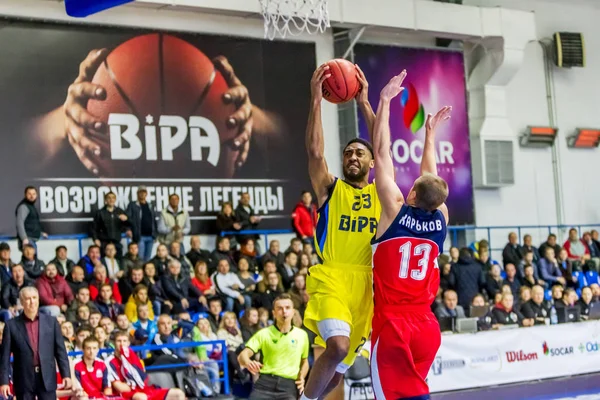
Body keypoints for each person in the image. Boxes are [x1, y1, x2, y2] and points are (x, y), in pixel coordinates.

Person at [368, 71, 450, 399]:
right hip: (427, 327)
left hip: (393, 325)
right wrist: (429, 134)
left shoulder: (395, 212)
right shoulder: (441, 218)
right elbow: (430, 177)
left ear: (412, 195)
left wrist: (385, 101)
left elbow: (381, 152)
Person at [301, 63, 378, 400]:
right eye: (347, 152)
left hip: (366, 287)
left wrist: (364, 102)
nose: (352, 156)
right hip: (331, 276)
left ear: (372, 162)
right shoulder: (331, 190)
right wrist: (316, 101)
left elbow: (385, 146)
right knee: (336, 347)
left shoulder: (383, 194)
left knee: (337, 372)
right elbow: (315, 153)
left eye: (360, 152)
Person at [0, 287, 72, 400]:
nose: (32, 302)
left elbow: (60, 351)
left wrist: (66, 375)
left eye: (34, 298)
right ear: (22, 302)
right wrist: (4, 382)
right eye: (28, 299)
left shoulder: (51, 322)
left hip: (47, 376)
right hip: (23, 378)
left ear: (38, 300)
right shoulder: (11, 325)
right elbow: (4, 357)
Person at [239, 294, 310, 400]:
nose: (284, 311)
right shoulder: (263, 333)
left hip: (288, 386)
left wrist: (302, 377)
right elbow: (242, 355)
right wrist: (248, 362)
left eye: (287, 308)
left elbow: (304, 361)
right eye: (280, 308)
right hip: (265, 384)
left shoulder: (302, 335)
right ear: (274, 313)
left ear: (293, 312)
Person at [106, 331, 185, 400]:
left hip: (144, 390)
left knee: (178, 394)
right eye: (119, 341)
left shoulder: (133, 356)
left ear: (128, 343)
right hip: (126, 395)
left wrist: (133, 385)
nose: (122, 344)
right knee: (142, 397)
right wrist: (133, 386)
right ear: (114, 343)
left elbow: (144, 379)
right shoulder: (109, 361)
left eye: (124, 341)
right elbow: (120, 388)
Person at [92, 192, 129, 259]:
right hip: (104, 243)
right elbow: (94, 228)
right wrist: (95, 239)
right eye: (109, 198)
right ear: (105, 200)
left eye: (113, 198)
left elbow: (127, 224)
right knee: (105, 263)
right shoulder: (100, 212)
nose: (111, 200)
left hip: (117, 242)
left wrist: (126, 220)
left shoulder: (120, 211)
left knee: (119, 263)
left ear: (115, 199)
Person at [125, 186, 157, 262]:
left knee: (148, 259)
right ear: (137, 193)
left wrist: (155, 235)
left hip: (150, 236)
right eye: (140, 192)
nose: (142, 194)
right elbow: (127, 218)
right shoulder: (132, 205)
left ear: (146, 194)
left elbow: (153, 220)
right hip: (139, 236)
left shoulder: (150, 205)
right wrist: (128, 229)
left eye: (144, 192)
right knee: (140, 258)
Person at [15, 186, 47, 251]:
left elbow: (32, 223)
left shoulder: (31, 206)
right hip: (28, 241)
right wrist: (24, 238)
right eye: (29, 194)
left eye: (34, 194)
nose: (32, 196)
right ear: (25, 195)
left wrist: (40, 233)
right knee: (30, 260)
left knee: (33, 260)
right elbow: (19, 223)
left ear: (37, 195)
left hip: (31, 239)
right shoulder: (23, 207)